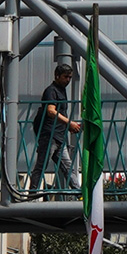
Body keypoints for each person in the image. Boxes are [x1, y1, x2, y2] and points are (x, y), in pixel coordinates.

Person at [27, 61, 80, 194]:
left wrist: (67, 126)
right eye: (65, 77)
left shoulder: (61, 90)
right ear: (57, 76)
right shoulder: (51, 91)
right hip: (49, 135)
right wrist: (69, 123)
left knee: (67, 166)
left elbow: (57, 112)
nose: (68, 80)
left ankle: (79, 192)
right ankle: (32, 193)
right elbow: (51, 111)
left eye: (69, 77)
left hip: (59, 136)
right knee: (42, 165)